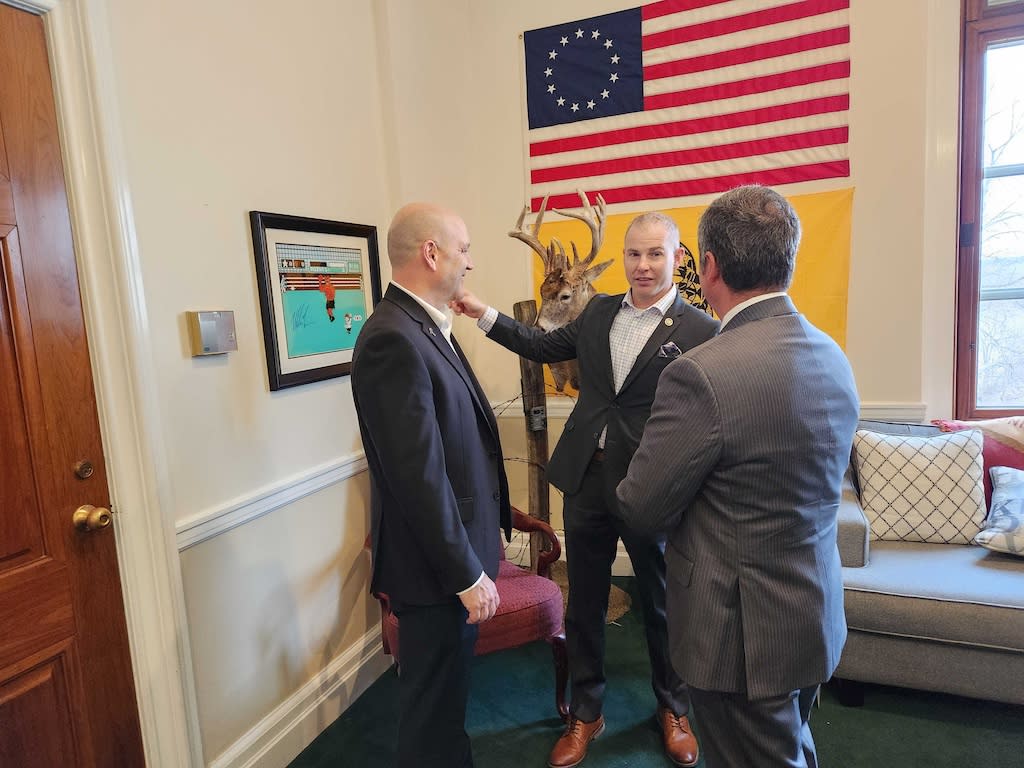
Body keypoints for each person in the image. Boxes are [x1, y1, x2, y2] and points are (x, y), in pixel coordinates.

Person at [453, 212, 718, 768]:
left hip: (652, 483)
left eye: (655, 255)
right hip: (587, 479)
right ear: (621, 259)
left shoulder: (700, 330)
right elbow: (541, 344)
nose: (643, 266)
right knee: (586, 602)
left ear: (677, 259)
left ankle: (673, 708)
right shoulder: (598, 311)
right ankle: (585, 712)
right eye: (634, 254)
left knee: (662, 600)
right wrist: (484, 315)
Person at [615, 185, 860, 768]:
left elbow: (642, 507)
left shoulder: (701, 374)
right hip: (812, 613)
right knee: (791, 748)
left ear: (710, 267)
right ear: (788, 260)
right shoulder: (831, 354)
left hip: (741, 639)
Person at [351, 203, 512, 768]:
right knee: (430, 718)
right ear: (431, 253)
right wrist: (465, 572)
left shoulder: (425, 324)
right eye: (463, 248)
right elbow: (418, 478)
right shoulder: (391, 338)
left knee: (446, 711)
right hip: (435, 573)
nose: (469, 262)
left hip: (451, 559)